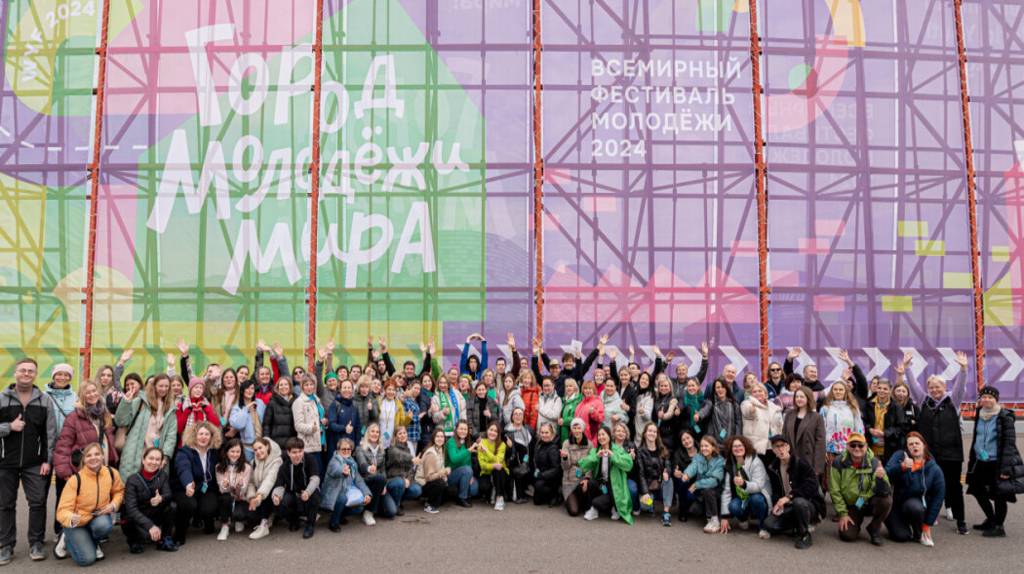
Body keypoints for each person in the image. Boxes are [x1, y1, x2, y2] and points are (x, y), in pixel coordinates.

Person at [905, 351, 969, 534]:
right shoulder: (923, 401)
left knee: (954, 488)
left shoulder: (953, 401)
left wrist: (963, 369)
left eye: (938, 387)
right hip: (930, 454)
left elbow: (960, 386)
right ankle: (929, 516)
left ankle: (961, 521)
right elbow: (914, 385)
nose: (934, 390)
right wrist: (908, 368)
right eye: (931, 387)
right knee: (928, 485)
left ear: (944, 387)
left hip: (952, 453)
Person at [0, 358, 56, 564]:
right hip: (5, 462)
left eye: (30, 371)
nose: (26, 373)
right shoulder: (2, 398)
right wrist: (9, 427)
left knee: (38, 502)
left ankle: (36, 543)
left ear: (35, 374)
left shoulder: (44, 400)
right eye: (22, 370)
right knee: (5, 505)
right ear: (15, 373)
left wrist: (47, 460)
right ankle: (6, 546)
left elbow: (50, 433)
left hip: (35, 463)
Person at [54, 442, 124, 566]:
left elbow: (119, 491)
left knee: (104, 525)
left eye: (97, 454)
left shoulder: (111, 473)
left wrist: (113, 505)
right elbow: (62, 510)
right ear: (84, 459)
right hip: (77, 523)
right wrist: (70, 518)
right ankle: (66, 537)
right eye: (89, 455)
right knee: (86, 560)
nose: (93, 458)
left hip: (97, 517)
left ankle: (93, 542)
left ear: (102, 456)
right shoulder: (75, 480)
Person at [966, 386, 1023, 538]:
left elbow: (1009, 443)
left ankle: (999, 526)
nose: (986, 400)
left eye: (990, 397)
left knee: (999, 495)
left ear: (996, 399)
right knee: (977, 491)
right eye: (984, 397)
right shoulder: (979, 413)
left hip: (996, 462)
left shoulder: (1005, 416)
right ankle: (991, 519)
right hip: (980, 460)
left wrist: (1006, 469)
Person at [763, 435, 826, 549]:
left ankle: (805, 534)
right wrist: (777, 504)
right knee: (769, 524)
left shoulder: (800, 463)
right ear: (773, 450)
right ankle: (796, 525)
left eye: (782, 445)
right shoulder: (773, 467)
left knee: (799, 502)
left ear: (788, 447)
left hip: (808, 504)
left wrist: (789, 497)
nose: (780, 449)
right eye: (777, 447)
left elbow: (812, 486)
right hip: (788, 505)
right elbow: (776, 491)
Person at [830, 432, 892, 545]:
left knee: (886, 501)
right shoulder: (838, 462)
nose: (857, 448)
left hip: (868, 501)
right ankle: (855, 523)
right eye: (853, 445)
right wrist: (843, 514)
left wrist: (881, 478)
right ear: (847, 446)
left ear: (866, 446)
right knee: (847, 535)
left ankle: (874, 528)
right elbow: (835, 491)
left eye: (860, 445)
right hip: (852, 505)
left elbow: (886, 490)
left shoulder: (874, 462)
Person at [884, 432, 945, 546]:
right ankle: (899, 524)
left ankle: (919, 533)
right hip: (895, 504)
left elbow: (938, 497)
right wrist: (901, 467)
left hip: (915, 505)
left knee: (914, 507)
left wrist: (928, 524)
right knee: (901, 536)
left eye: (917, 443)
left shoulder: (933, 468)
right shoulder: (900, 456)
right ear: (907, 448)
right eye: (910, 444)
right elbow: (885, 474)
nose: (914, 446)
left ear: (924, 445)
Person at [115, 374, 177, 479]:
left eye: (166, 386)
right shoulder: (141, 402)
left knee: (154, 484)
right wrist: (126, 402)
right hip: (136, 451)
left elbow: (171, 435)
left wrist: (165, 455)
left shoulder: (170, 408)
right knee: (131, 482)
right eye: (161, 386)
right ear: (154, 386)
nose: (164, 389)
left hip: (157, 455)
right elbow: (121, 421)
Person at [172, 421, 221, 545]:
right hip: (185, 488)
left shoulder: (214, 452)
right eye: (200, 434)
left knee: (209, 508)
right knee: (189, 505)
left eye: (207, 434)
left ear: (211, 436)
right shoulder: (185, 452)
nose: (203, 437)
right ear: (194, 435)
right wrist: (188, 483)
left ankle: (206, 520)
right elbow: (183, 468)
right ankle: (179, 534)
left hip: (205, 488)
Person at [123, 447, 177, 554]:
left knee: (172, 506)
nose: (154, 462)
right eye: (151, 458)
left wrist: (161, 498)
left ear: (161, 462)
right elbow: (131, 509)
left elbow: (168, 494)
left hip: (154, 513)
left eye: (157, 459)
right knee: (127, 517)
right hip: (138, 516)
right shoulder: (132, 480)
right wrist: (150, 526)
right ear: (143, 460)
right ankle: (134, 541)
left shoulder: (162, 475)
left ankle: (165, 539)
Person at [719, 435, 772, 538]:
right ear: (731, 449)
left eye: (740, 445)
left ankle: (763, 526)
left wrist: (744, 484)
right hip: (743, 497)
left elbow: (759, 486)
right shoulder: (730, 464)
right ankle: (743, 519)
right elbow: (726, 491)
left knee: (756, 499)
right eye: (734, 446)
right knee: (733, 506)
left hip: (759, 494)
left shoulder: (755, 461)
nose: (737, 448)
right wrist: (724, 516)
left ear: (745, 446)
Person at [578, 426, 634, 524]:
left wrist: (613, 456)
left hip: (614, 485)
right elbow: (583, 465)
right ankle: (594, 510)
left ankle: (615, 507)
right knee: (590, 483)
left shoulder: (618, 450)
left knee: (598, 502)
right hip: (602, 484)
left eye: (603, 434)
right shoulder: (596, 450)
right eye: (599, 435)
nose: (601, 437)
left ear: (609, 436)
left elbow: (628, 465)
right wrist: (596, 457)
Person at [272, 437, 321, 539]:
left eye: (300, 451)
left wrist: (307, 492)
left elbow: (315, 479)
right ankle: (294, 520)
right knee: (281, 503)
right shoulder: (284, 466)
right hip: (293, 492)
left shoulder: (310, 459)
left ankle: (310, 525)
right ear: (288, 453)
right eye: (294, 452)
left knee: (315, 496)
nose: (298, 455)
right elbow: (279, 485)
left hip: (309, 490)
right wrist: (276, 496)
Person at [321, 438, 372, 532]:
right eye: (343, 449)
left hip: (347, 491)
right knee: (342, 498)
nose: (346, 451)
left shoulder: (352, 462)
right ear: (338, 450)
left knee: (360, 506)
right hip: (334, 493)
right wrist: (343, 472)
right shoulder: (334, 460)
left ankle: (340, 515)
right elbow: (336, 470)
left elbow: (359, 480)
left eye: (348, 449)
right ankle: (333, 522)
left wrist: (366, 493)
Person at [681, 435, 725, 532]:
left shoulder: (720, 461)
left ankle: (714, 520)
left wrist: (696, 484)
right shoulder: (698, 457)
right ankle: (708, 515)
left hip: (715, 492)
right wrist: (686, 474)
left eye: (706, 446)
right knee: (694, 510)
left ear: (713, 447)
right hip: (702, 493)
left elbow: (714, 481)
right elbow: (693, 467)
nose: (703, 448)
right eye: (701, 446)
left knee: (708, 489)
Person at [781, 386, 826, 480]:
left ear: (808, 398)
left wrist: (817, 468)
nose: (799, 399)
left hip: (809, 461)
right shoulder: (789, 415)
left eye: (802, 397)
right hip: (792, 460)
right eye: (797, 397)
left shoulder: (816, 417)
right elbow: (784, 437)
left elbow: (820, 443)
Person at [819, 381, 864, 470]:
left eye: (841, 389)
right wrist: (823, 450)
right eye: (835, 389)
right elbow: (821, 431)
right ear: (832, 392)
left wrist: (859, 448)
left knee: (849, 477)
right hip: (831, 451)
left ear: (845, 392)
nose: (838, 392)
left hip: (850, 451)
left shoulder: (853, 408)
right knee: (832, 477)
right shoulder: (825, 409)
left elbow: (859, 430)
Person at [635, 422, 673, 526]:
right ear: (645, 434)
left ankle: (666, 513)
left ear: (657, 435)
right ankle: (651, 504)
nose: (652, 433)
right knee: (645, 506)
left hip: (661, 486)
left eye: (655, 431)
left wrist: (667, 472)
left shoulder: (662, 449)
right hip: (648, 487)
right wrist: (645, 492)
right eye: (650, 431)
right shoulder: (640, 452)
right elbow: (641, 474)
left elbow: (668, 465)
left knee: (669, 480)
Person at [863, 377, 909, 463]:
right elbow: (863, 422)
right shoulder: (868, 404)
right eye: (879, 388)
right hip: (870, 447)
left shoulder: (896, 407)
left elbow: (901, 428)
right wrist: (869, 429)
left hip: (889, 449)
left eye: (885, 389)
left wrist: (885, 433)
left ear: (890, 390)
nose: (882, 391)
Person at [214, 439, 252, 540]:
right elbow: (222, 490)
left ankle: (238, 519)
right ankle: (225, 525)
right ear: (227, 452)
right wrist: (225, 485)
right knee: (225, 498)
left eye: (238, 451)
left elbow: (243, 492)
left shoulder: (246, 467)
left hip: (240, 498)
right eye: (232, 451)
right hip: (227, 497)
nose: (235, 454)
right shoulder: (219, 467)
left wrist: (240, 485)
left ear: (241, 452)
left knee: (239, 515)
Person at [245, 437, 281, 540]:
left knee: (268, 490)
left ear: (267, 446)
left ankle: (264, 524)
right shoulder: (254, 462)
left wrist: (260, 495)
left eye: (260, 448)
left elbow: (270, 480)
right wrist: (252, 497)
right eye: (255, 450)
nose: (258, 452)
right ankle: (270, 517)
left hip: (274, 493)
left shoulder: (277, 461)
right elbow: (251, 482)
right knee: (250, 517)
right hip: (260, 495)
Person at [293, 375, 328, 477]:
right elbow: (298, 425)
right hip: (309, 445)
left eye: (311, 384)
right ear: (302, 386)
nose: (309, 387)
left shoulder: (316, 399)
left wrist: (324, 422)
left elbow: (319, 418)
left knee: (322, 473)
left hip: (321, 442)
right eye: (306, 385)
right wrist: (312, 428)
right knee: (315, 475)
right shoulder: (299, 402)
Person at [383, 426, 421, 517]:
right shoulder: (392, 449)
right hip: (392, 480)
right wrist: (412, 459)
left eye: (404, 433)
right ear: (395, 436)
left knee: (417, 490)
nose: (403, 435)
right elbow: (400, 456)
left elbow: (411, 469)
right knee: (400, 482)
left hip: (403, 480)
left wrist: (408, 479)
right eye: (400, 433)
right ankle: (396, 504)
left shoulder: (408, 448)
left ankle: (398, 499)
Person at [355, 422, 387, 525]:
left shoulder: (382, 450)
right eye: (372, 431)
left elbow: (383, 470)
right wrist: (369, 468)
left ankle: (375, 506)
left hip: (379, 481)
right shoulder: (360, 448)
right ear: (368, 433)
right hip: (365, 480)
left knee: (390, 512)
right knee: (379, 478)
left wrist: (385, 484)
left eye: (377, 432)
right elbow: (362, 464)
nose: (375, 434)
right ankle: (368, 513)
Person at [741, 382, 783, 456]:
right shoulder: (746, 403)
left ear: (765, 393)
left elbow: (781, 426)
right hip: (756, 447)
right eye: (754, 392)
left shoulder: (774, 407)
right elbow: (748, 412)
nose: (758, 393)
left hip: (774, 446)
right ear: (751, 394)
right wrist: (751, 409)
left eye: (760, 391)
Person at [228, 380, 265, 462]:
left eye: (252, 388)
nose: (250, 391)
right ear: (242, 390)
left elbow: (266, 421)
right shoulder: (237, 407)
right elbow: (238, 425)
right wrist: (246, 409)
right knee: (248, 468)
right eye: (247, 388)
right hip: (247, 447)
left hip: (261, 445)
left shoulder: (260, 403)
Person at [415, 428, 450, 513]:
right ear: (433, 438)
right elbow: (429, 477)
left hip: (433, 481)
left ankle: (428, 499)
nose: (440, 439)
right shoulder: (431, 453)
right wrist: (443, 472)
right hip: (423, 483)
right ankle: (429, 505)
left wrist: (444, 474)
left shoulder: (440, 450)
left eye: (442, 437)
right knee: (440, 483)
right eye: (437, 436)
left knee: (450, 491)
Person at [699, 378, 742, 446]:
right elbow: (705, 410)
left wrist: (736, 439)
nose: (720, 389)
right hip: (715, 443)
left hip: (730, 443)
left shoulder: (734, 404)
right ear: (714, 390)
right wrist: (699, 415)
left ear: (726, 388)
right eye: (718, 387)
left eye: (722, 387)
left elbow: (738, 423)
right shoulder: (711, 403)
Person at [561, 418, 591, 516]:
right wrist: (565, 458)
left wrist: (587, 478)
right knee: (574, 512)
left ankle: (581, 500)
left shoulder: (589, 444)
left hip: (582, 479)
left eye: (579, 428)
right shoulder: (566, 443)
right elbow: (565, 467)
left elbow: (591, 464)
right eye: (574, 428)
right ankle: (569, 498)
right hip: (569, 481)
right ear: (571, 430)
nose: (577, 431)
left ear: (582, 429)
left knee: (586, 507)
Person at [478, 422, 510, 510]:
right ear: (487, 430)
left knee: (498, 469)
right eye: (491, 430)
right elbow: (482, 465)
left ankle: (499, 497)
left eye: (495, 431)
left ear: (498, 433)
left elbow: (498, 461)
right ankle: (493, 489)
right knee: (484, 487)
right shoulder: (482, 443)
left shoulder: (502, 444)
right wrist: (493, 465)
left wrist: (487, 451)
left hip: (501, 472)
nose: (492, 432)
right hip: (486, 472)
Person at [445, 421, 479, 506]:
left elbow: (468, 462)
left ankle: (460, 491)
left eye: (465, 429)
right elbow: (454, 459)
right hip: (451, 474)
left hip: (465, 474)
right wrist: (468, 450)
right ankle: (462, 498)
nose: (463, 431)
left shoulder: (467, 442)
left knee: (474, 490)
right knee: (467, 470)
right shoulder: (451, 442)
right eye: (461, 429)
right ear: (456, 429)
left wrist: (470, 476)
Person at [669, 429, 699, 522]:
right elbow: (674, 466)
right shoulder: (678, 453)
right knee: (682, 481)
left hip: (699, 483)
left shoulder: (702, 449)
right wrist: (675, 472)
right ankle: (682, 509)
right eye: (683, 440)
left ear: (693, 437)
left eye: (688, 438)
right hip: (684, 484)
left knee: (696, 509)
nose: (686, 441)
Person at [505, 407, 534, 503]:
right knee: (515, 497)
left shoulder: (529, 430)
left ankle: (527, 486)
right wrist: (509, 447)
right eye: (515, 414)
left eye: (520, 414)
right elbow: (506, 454)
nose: (518, 416)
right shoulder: (507, 432)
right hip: (514, 464)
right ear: (512, 417)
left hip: (528, 463)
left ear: (523, 416)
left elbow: (533, 447)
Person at [532, 422, 563, 506]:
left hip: (552, 479)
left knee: (538, 486)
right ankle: (547, 496)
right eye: (542, 432)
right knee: (537, 501)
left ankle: (555, 494)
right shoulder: (539, 444)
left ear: (552, 434)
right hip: (541, 474)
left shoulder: (553, 448)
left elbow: (556, 469)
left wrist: (541, 475)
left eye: (546, 433)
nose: (544, 435)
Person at [263, 377, 296, 450]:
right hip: (276, 443)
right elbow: (266, 425)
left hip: (292, 442)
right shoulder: (272, 403)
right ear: (277, 388)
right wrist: (267, 441)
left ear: (290, 386)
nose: (283, 387)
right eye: (281, 385)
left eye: (286, 384)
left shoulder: (296, 401)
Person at [574, 380, 604, 446]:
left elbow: (601, 418)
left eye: (590, 388)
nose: (588, 390)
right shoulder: (580, 404)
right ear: (583, 390)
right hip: (580, 436)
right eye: (586, 388)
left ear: (593, 390)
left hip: (591, 436)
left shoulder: (597, 402)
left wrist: (593, 412)